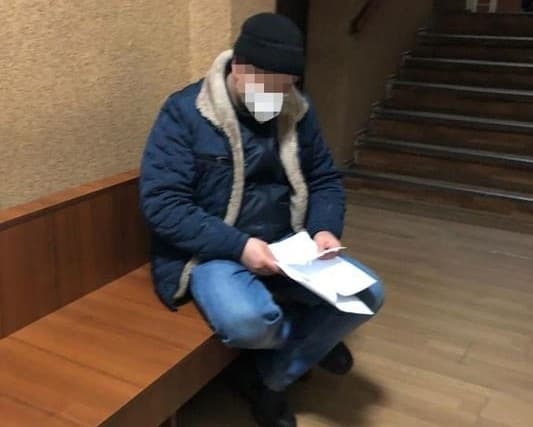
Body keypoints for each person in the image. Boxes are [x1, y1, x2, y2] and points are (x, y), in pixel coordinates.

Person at [140, 12, 384, 427]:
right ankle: (308, 345)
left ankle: (269, 380)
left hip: (290, 245)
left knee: (367, 295)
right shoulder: (186, 113)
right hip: (214, 249)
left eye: (284, 88)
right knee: (247, 322)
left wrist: (324, 229)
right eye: (266, 86)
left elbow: (324, 179)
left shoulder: (296, 110)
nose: (274, 98)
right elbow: (163, 204)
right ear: (238, 67)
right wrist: (239, 246)